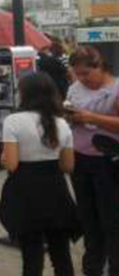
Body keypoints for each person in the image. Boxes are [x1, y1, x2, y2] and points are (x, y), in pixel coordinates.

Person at [0, 72, 78, 276]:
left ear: (25, 94)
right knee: (61, 255)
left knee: (31, 256)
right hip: (55, 190)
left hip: (26, 192)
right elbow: (68, 165)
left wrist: (4, 158)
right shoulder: (61, 124)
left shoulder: (13, 121)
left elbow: (12, 164)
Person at [65, 46, 119, 276]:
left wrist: (92, 118)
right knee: (88, 216)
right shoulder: (75, 88)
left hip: (109, 160)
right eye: (77, 74)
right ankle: (92, 266)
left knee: (112, 218)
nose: (82, 79)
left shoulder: (115, 89)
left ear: (100, 67)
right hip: (81, 158)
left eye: (86, 73)